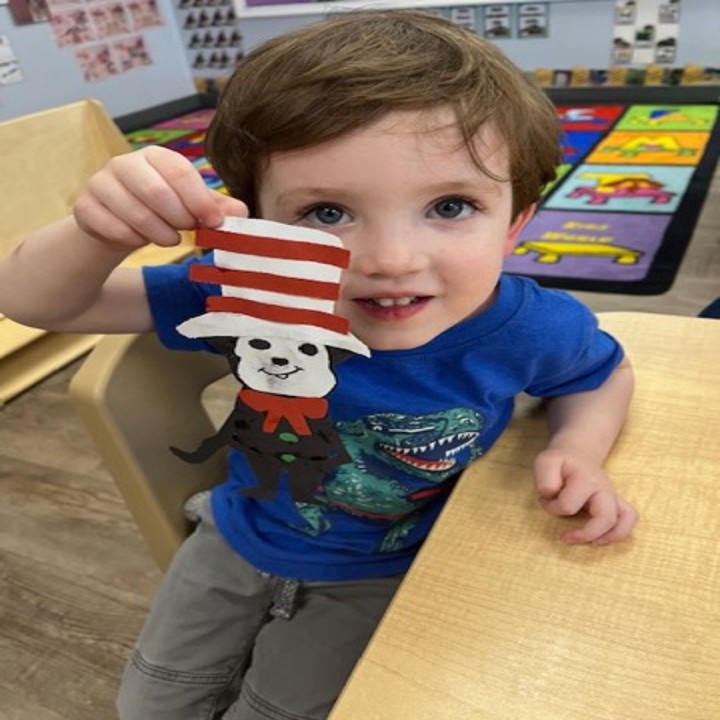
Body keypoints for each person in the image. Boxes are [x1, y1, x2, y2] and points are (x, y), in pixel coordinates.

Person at [0, 9, 638, 720]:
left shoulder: (531, 328)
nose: (391, 260)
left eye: (451, 206)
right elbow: (32, 302)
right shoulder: (254, 294)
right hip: (235, 537)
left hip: (389, 570)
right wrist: (95, 232)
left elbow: (599, 373)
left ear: (516, 221)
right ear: (260, 229)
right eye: (327, 213)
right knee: (148, 705)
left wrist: (578, 448)